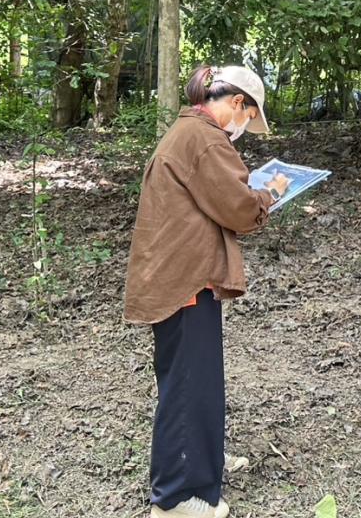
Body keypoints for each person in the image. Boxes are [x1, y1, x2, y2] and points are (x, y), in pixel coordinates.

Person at [124, 65, 290, 518]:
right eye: (249, 117)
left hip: (184, 274)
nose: (245, 129)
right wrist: (270, 193)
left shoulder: (192, 133)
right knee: (187, 386)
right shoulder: (203, 138)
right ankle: (177, 499)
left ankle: (204, 460)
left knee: (198, 382)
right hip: (184, 279)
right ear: (237, 103)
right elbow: (237, 208)